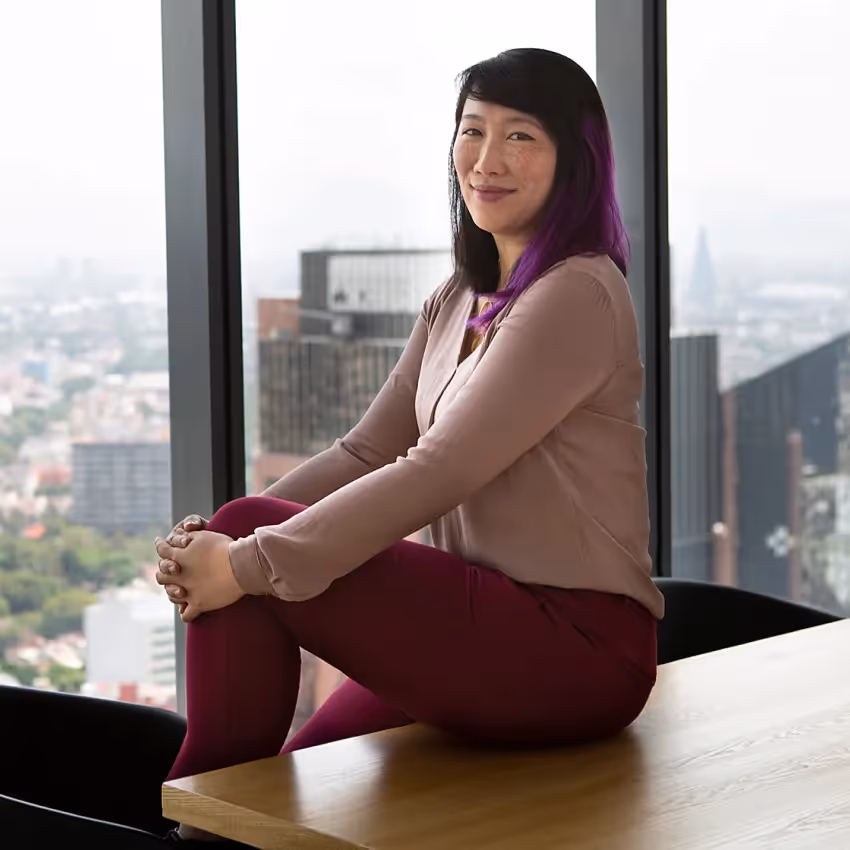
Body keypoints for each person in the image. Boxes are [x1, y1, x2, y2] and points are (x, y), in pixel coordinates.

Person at [154, 47, 666, 845]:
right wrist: (217, 541)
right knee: (285, 788)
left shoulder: (576, 291)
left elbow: (439, 469)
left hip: (577, 649)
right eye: (473, 131)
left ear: (575, 161)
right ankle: (203, 821)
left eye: (521, 137)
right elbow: (366, 452)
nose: (487, 161)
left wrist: (246, 560)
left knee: (253, 537)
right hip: (478, 619)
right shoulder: (461, 295)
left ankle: (181, 833)